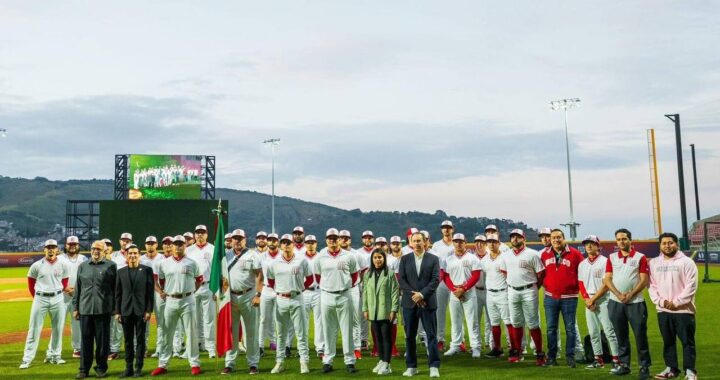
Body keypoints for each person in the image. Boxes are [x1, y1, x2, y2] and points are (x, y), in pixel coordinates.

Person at [152, 235, 204, 376]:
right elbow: (160, 281)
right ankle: (163, 364)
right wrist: (164, 292)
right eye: (175, 244)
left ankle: (194, 363)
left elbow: (199, 280)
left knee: (191, 332)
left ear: (184, 246)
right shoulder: (164, 263)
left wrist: (192, 291)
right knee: (167, 332)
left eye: (180, 244)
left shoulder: (192, 262)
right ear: (172, 246)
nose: (178, 246)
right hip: (170, 300)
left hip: (188, 299)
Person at [603, 228, 651, 379]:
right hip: (616, 302)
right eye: (618, 239)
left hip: (636, 302)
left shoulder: (640, 257)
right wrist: (618, 294)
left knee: (640, 336)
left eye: (624, 239)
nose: (621, 242)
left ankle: (644, 367)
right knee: (621, 335)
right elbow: (607, 279)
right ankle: (624, 365)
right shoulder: (611, 257)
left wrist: (630, 295)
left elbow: (644, 280)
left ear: (630, 240)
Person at [649, 232, 698, 380]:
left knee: (687, 342)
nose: (667, 246)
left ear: (676, 244)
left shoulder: (687, 262)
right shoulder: (654, 263)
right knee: (668, 341)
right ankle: (671, 369)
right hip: (663, 310)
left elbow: (691, 286)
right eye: (664, 243)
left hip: (683, 310)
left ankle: (690, 371)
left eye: (670, 243)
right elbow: (651, 286)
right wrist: (662, 302)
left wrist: (676, 302)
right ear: (660, 245)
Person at [266, 234, 314, 374]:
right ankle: (279, 362)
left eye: (289, 242)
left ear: (294, 244)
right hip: (281, 299)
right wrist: (280, 290)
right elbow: (270, 281)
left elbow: (310, 279)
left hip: (297, 298)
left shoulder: (301, 260)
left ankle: (304, 362)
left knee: (301, 333)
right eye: (284, 242)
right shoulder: (274, 263)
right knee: (281, 334)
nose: (286, 245)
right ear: (281, 245)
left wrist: (300, 288)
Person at [19, 239, 70, 369]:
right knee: (34, 329)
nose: (51, 249)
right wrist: (37, 297)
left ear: (57, 249)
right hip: (40, 298)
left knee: (58, 329)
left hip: (58, 298)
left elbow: (64, 281)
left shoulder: (63, 264)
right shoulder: (36, 265)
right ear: (44, 249)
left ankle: (55, 356)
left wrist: (57, 291)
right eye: (48, 247)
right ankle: (27, 359)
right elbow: (31, 284)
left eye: (53, 247)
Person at [314, 228, 359, 373]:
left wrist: (343, 286)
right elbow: (318, 276)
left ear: (339, 239)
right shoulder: (320, 256)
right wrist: (330, 286)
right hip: (326, 294)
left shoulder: (349, 256)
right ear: (326, 239)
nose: (332, 240)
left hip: (344, 294)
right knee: (328, 330)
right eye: (330, 238)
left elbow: (354, 276)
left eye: (335, 237)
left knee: (347, 329)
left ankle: (350, 361)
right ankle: (327, 361)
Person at [498, 229, 546, 365]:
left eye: (518, 237)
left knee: (533, 323)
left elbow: (541, 274)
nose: (514, 239)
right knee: (516, 323)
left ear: (523, 239)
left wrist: (535, 287)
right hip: (512, 290)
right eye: (512, 236)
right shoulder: (506, 255)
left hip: (529, 289)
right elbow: (504, 272)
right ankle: (517, 352)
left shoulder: (533, 254)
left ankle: (540, 354)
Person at [398, 231, 441, 378]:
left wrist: (422, 294)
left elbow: (435, 280)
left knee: (431, 336)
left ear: (425, 242)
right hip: (409, 304)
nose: (417, 243)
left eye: (419, 241)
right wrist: (415, 296)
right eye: (414, 241)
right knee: (409, 336)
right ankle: (411, 366)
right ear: (410, 243)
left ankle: (434, 366)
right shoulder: (404, 259)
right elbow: (402, 280)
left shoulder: (434, 259)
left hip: (428, 302)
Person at [73, 240, 117, 379]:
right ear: (90, 250)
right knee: (85, 341)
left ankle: (101, 368)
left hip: (103, 309)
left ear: (104, 251)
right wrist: (75, 307)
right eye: (93, 248)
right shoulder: (83, 266)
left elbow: (116, 289)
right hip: (85, 309)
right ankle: (83, 370)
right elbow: (77, 288)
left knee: (102, 342)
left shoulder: (111, 266)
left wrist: (115, 309)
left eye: (99, 249)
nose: (95, 251)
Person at [540, 229, 584, 368]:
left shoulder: (575, 254)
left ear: (564, 238)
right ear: (550, 240)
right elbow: (541, 274)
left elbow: (582, 273)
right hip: (550, 297)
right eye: (553, 238)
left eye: (559, 237)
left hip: (569, 297)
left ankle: (570, 357)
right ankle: (552, 357)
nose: (556, 240)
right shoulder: (544, 255)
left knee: (570, 328)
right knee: (551, 328)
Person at [222, 229, 263, 375]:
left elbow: (259, 275)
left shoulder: (253, 255)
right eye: (235, 238)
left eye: (240, 238)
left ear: (245, 239)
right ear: (231, 240)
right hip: (230, 297)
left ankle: (253, 363)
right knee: (231, 331)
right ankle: (229, 363)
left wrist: (258, 294)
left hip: (248, 295)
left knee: (251, 331)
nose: (237, 241)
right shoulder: (226, 256)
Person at [578, 235, 620, 369]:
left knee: (609, 331)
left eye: (592, 243)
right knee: (593, 332)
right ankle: (598, 359)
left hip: (603, 300)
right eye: (587, 244)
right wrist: (586, 299)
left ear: (598, 246)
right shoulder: (582, 264)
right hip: (589, 302)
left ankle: (616, 359)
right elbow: (581, 283)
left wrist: (592, 300)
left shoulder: (605, 261)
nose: (589, 246)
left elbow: (606, 284)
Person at [114, 244, 154, 378]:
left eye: (135, 253)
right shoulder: (120, 272)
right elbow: (118, 294)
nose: (132, 255)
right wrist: (117, 311)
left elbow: (150, 293)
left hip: (141, 310)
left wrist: (149, 310)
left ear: (139, 255)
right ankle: (128, 367)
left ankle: (138, 367)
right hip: (125, 310)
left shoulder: (147, 270)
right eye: (130, 253)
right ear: (126, 255)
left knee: (140, 339)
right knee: (128, 340)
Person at [442, 233, 482, 358]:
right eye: (456, 241)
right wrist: (455, 290)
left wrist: (463, 289)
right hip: (454, 293)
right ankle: (455, 345)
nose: (458, 244)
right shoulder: (447, 259)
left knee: (472, 321)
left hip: (469, 292)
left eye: (461, 241)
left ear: (465, 243)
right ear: (453, 243)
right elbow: (445, 276)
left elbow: (476, 276)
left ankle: (475, 347)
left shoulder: (472, 258)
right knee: (455, 321)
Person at [363, 249, 400, 375]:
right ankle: (381, 360)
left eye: (380, 257)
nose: (377, 260)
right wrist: (365, 308)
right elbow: (365, 293)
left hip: (385, 311)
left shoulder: (389, 273)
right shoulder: (368, 274)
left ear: (384, 259)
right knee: (377, 338)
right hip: (373, 310)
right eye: (375, 257)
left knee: (386, 337)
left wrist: (394, 309)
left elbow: (395, 292)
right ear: (372, 260)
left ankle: (387, 363)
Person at [185, 224, 216, 358]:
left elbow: (217, 270)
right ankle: (195, 345)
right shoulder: (188, 250)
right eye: (197, 232)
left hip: (208, 285)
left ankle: (210, 347)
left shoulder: (213, 249)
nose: (200, 235)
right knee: (194, 318)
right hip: (193, 287)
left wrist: (216, 289)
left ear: (207, 234)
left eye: (202, 232)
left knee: (209, 319)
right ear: (194, 235)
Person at [479, 233, 511, 358]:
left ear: (499, 243)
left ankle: (514, 348)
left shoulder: (505, 258)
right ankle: (497, 349)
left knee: (509, 322)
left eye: (494, 242)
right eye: (489, 242)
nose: (491, 244)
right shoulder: (484, 260)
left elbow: (509, 276)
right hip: (490, 294)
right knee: (494, 323)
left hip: (503, 292)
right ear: (486, 244)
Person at [58, 235, 88, 359]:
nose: (72, 246)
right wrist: (64, 288)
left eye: (74, 244)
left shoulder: (84, 258)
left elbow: (86, 276)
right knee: (58, 324)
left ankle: (77, 348)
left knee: (77, 323)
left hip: (78, 295)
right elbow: (54, 276)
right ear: (65, 245)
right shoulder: (59, 258)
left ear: (78, 245)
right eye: (70, 244)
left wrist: (76, 290)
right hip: (62, 295)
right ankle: (54, 350)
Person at [431, 220, 455, 352]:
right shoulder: (436, 245)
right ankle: (440, 339)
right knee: (439, 313)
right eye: (444, 228)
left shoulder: (456, 242)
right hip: (441, 281)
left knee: (456, 313)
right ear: (441, 230)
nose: (446, 230)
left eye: (448, 228)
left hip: (454, 280)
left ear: (452, 229)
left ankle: (459, 340)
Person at [109, 232, 132, 360]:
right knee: (116, 321)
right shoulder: (113, 256)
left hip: (130, 292)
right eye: (123, 240)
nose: (125, 242)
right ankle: (114, 349)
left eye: (127, 240)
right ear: (120, 241)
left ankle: (132, 348)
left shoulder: (135, 254)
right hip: (117, 292)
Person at [302, 234, 325, 358]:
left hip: (318, 290)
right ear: (305, 244)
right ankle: (303, 348)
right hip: (304, 291)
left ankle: (320, 348)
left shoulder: (321, 257)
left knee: (320, 321)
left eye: (313, 242)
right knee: (303, 321)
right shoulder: (300, 258)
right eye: (308, 242)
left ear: (316, 243)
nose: (310, 244)